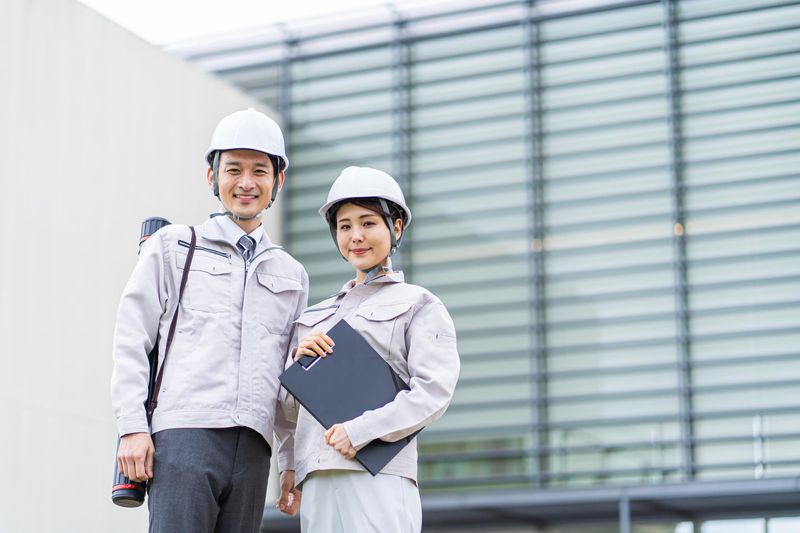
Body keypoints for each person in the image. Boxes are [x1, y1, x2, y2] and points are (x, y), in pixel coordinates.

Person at [110, 108, 308, 533]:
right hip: (184, 436)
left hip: (255, 448)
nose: (246, 183)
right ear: (211, 177)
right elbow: (132, 339)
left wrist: (292, 461)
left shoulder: (290, 274)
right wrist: (131, 428)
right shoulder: (173, 247)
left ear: (279, 180)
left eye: (260, 171)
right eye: (233, 169)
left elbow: (293, 380)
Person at [274, 166, 460, 532]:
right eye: (345, 226)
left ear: (396, 227)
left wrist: (361, 431)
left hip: (380, 473)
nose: (356, 236)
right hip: (317, 478)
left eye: (368, 223)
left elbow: (433, 392)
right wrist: (289, 465)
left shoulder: (419, 303)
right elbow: (287, 410)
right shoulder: (313, 317)